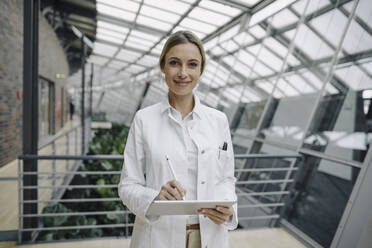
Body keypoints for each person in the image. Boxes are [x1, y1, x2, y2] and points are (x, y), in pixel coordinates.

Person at [118, 30, 238, 248]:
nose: (183, 73)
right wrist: (155, 197)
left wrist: (228, 210)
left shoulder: (218, 120)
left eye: (192, 64)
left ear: (201, 70)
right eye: (174, 63)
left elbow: (226, 179)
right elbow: (128, 185)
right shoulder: (144, 119)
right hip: (158, 237)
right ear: (163, 66)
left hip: (209, 235)